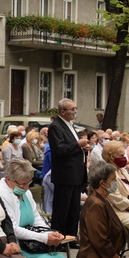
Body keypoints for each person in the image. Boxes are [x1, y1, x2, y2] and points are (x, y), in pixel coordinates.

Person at [55, 163, 126, 258]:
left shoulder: (101, 200)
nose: (117, 181)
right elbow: (100, 240)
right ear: (103, 183)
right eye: (114, 179)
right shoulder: (95, 204)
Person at [48, 99, 89, 236]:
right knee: (62, 209)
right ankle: (58, 236)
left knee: (73, 208)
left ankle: (71, 236)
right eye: (72, 109)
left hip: (75, 173)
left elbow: (72, 147)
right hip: (65, 174)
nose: (75, 112)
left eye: (76, 108)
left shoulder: (70, 125)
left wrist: (83, 148)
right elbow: (59, 149)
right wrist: (77, 144)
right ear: (62, 111)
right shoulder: (56, 126)